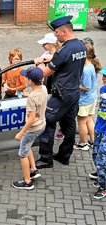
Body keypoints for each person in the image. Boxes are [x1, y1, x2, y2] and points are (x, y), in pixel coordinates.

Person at [33, 15, 86, 168]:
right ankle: (64, 155)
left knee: (47, 121)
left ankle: (45, 158)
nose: (55, 36)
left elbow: (44, 73)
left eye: (56, 32)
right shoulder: (80, 46)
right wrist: (49, 60)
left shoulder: (64, 50)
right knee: (69, 125)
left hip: (61, 95)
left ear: (64, 32)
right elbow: (66, 64)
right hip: (74, 93)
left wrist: (38, 63)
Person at [12, 67, 48, 190]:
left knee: (22, 153)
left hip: (33, 128)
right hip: (42, 124)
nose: (25, 79)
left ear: (31, 81)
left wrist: (21, 133)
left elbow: (31, 119)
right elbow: (39, 98)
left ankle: (27, 182)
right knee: (28, 145)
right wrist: (29, 94)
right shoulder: (43, 88)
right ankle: (33, 169)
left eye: (26, 77)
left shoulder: (32, 98)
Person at [74, 41, 102, 151]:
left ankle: (82, 143)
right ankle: (93, 140)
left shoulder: (85, 70)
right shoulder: (92, 65)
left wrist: (76, 85)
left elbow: (86, 87)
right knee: (89, 120)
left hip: (84, 100)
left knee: (81, 122)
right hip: (92, 99)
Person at [37, 33, 64, 140]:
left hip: (55, 86)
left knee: (54, 111)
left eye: (44, 43)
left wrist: (40, 63)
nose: (42, 45)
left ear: (51, 44)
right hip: (47, 85)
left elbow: (44, 71)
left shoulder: (55, 56)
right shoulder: (46, 54)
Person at [92, 67, 106, 199]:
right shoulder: (102, 90)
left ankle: (103, 187)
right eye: (103, 76)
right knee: (95, 153)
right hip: (99, 128)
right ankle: (100, 173)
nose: (103, 79)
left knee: (102, 159)